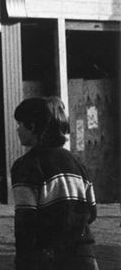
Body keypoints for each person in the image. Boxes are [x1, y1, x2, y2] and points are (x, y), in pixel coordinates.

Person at [12, 96, 98, 270]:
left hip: (48, 257)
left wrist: (23, 260)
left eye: (20, 124)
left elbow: (25, 220)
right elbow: (92, 211)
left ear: (32, 126)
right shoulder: (77, 163)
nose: (17, 129)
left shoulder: (26, 165)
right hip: (84, 254)